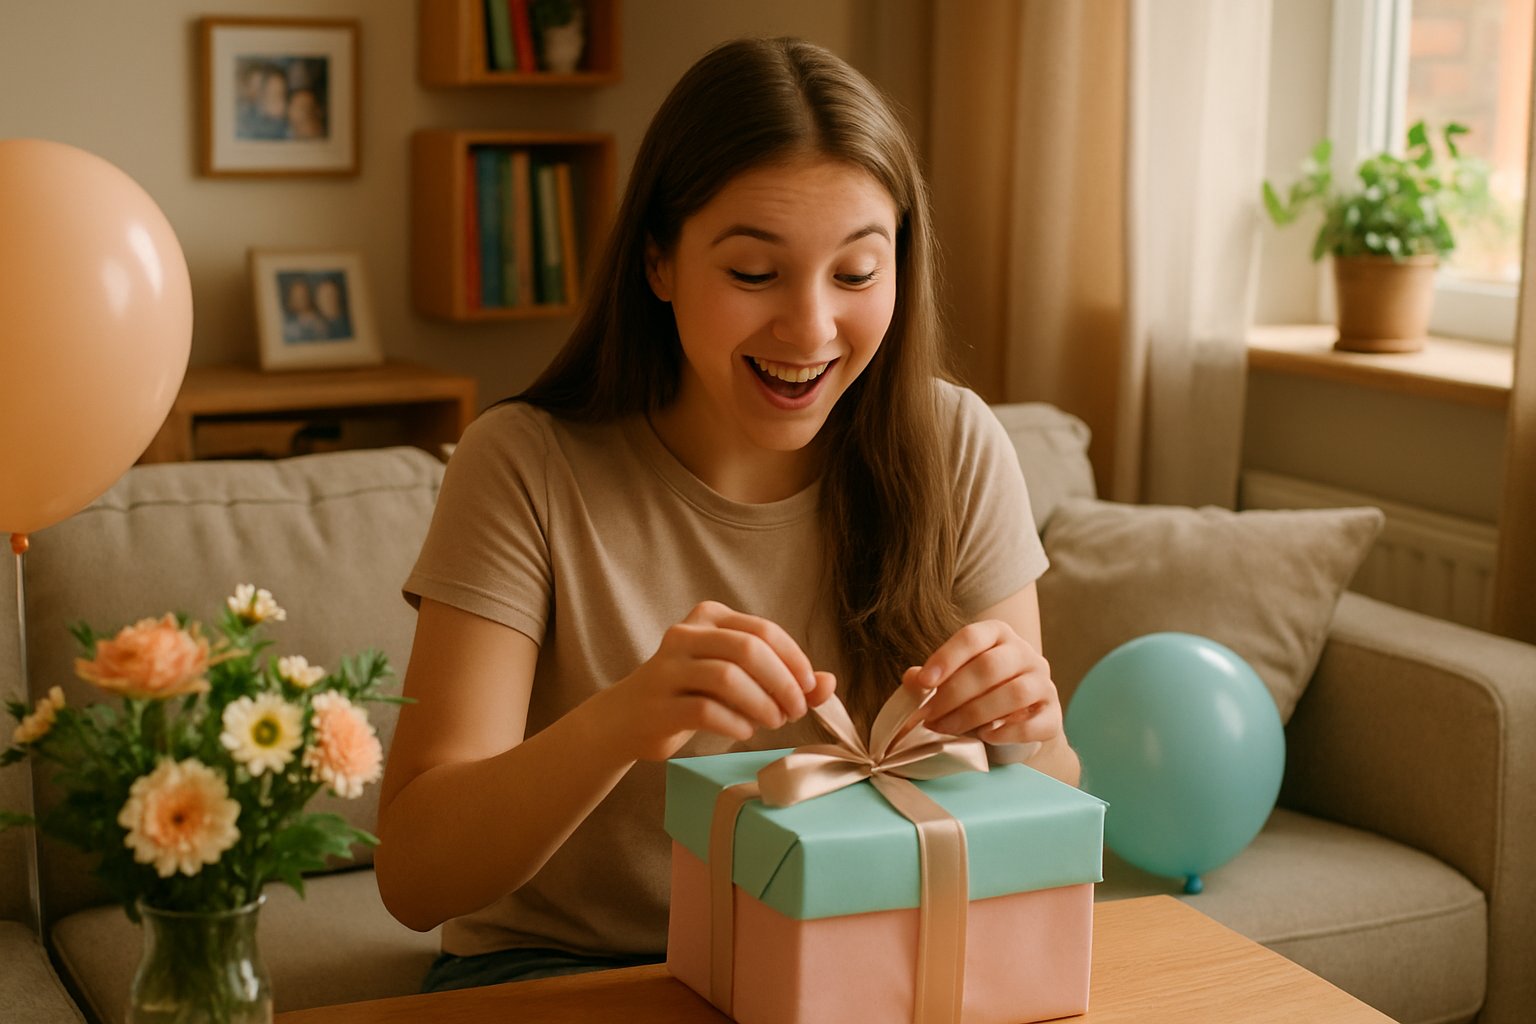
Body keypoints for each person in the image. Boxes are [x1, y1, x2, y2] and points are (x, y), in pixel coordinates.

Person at [375, 36, 1079, 995]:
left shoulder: (953, 445)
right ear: (658, 262)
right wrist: (622, 721)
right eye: (754, 274)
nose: (810, 327)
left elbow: (1047, 804)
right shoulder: (525, 465)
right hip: (566, 970)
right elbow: (417, 875)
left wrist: (1028, 732)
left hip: (854, 961)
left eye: (857, 273)